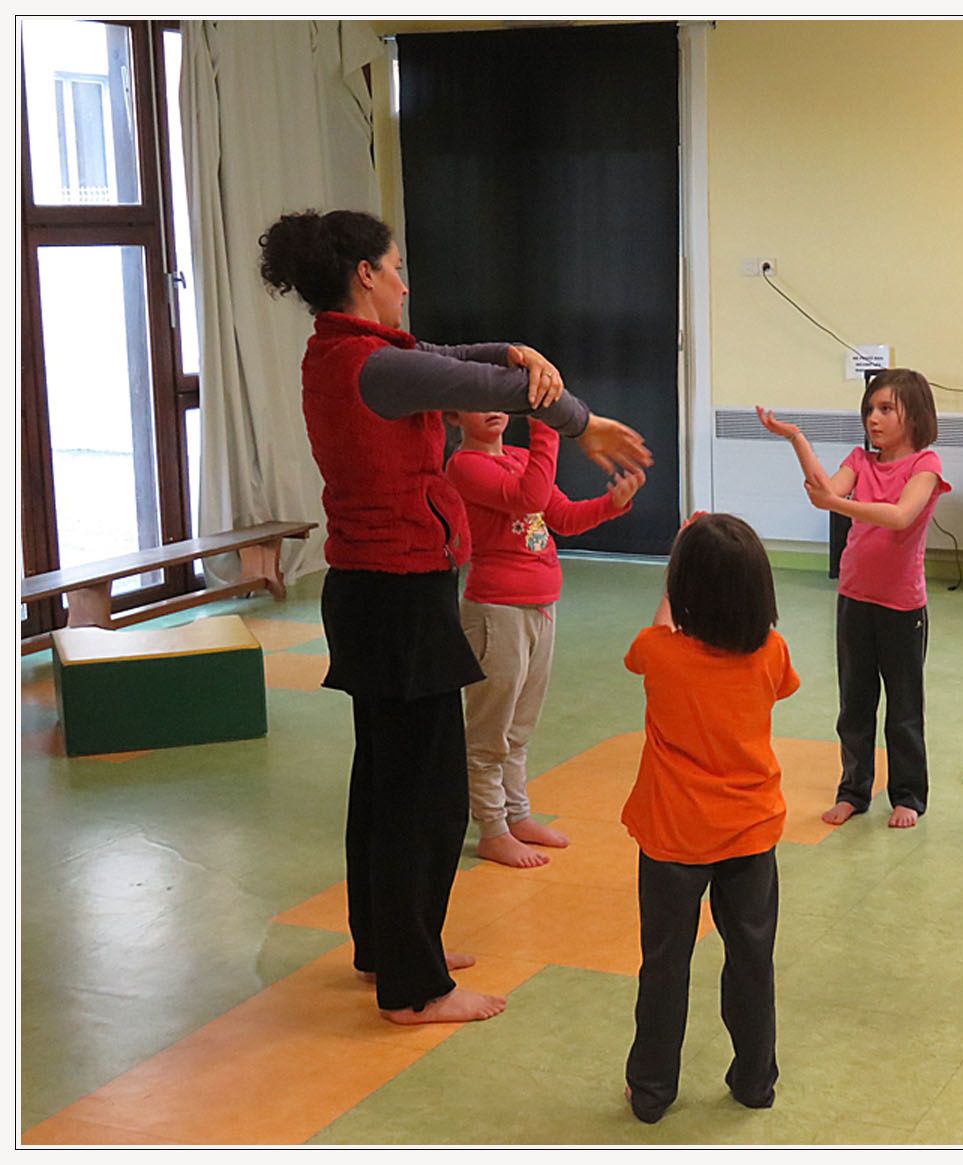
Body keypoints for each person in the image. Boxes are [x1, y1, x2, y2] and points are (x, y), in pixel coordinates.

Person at [257, 208, 651, 1025]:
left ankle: (391, 949)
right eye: (397, 269)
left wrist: (517, 348)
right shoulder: (369, 366)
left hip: (379, 593)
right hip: (394, 597)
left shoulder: (353, 354)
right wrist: (576, 419)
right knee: (422, 794)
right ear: (365, 274)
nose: (406, 283)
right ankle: (415, 985)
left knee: (385, 784)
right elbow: (480, 386)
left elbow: (459, 360)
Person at [621, 513, 799, 1124]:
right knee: (752, 958)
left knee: (664, 962)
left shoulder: (657, 653)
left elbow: (652, 643)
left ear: (683, 587)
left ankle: (651, 1089)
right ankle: (755, 1080)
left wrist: (675, 574)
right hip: (751, 831)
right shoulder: (772, 652)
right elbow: (781, 686)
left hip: (673, 836)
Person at [445, 411, 644, 868]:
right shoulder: (465, 466)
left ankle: (517, 815)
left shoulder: (517, 458)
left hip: (539, 606)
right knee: (489, 732)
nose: (492, 408)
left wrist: (612, 503)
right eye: (477, 400)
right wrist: (547, 425)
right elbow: (528, 496)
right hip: (496, 611)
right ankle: (492, 828)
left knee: (520, 727)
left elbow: (563, 518)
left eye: (499, 399)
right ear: (455, 414)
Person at [756, 369, 950, 829]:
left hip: (902, 607)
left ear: (914, 413)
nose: (874, 419)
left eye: (886, 409)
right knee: (855, 705)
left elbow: (900, 516)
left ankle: (907, 795)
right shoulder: (859, 460)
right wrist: (796, 439)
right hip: (855, 599)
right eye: (869, 409)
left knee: (903, 708)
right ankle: (853, 790)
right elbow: (825, 489)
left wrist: (836, 505)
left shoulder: (926, 464)